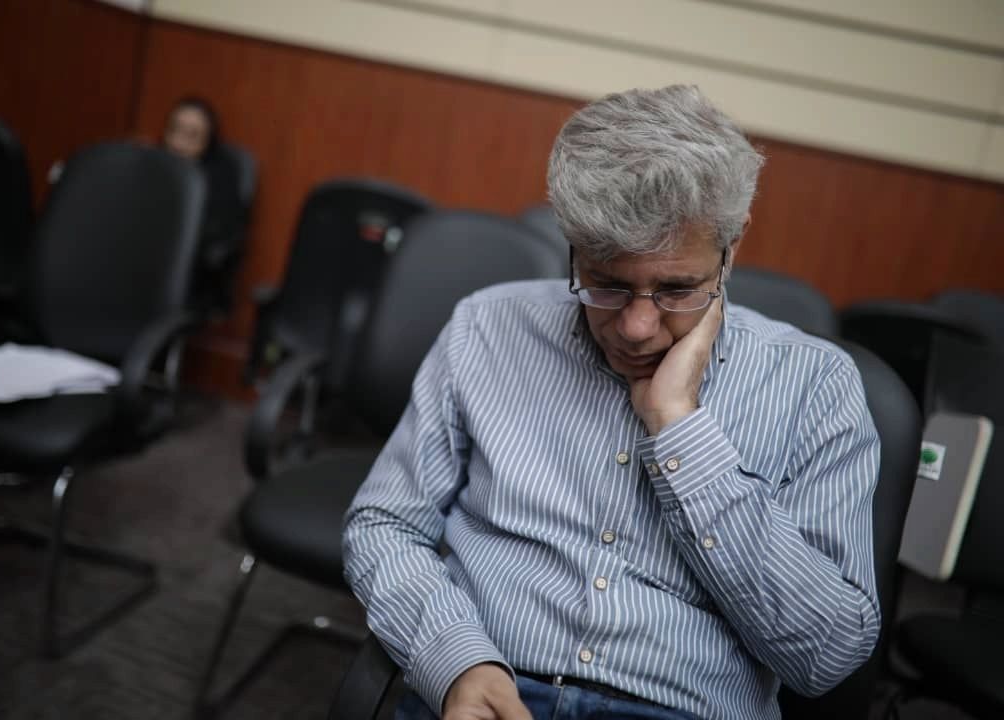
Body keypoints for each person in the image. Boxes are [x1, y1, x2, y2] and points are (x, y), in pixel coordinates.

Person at [342, 85, 880, 720]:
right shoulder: (486, 326)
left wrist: (680, 431)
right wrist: (455, 660)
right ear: (571, 244)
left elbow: (826, 656)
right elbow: (384, 524)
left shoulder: (816, 384)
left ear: (730, 250)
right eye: (606, 284)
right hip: (489, 686)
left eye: (677, 289)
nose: (637, 327)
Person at [161, 96, 247, 313]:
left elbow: (218, 236)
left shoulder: (220, 178)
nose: (179, 144)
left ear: (207, 141)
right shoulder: (155, 166)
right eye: (175, 130)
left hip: (190, 273)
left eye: (192, 136)